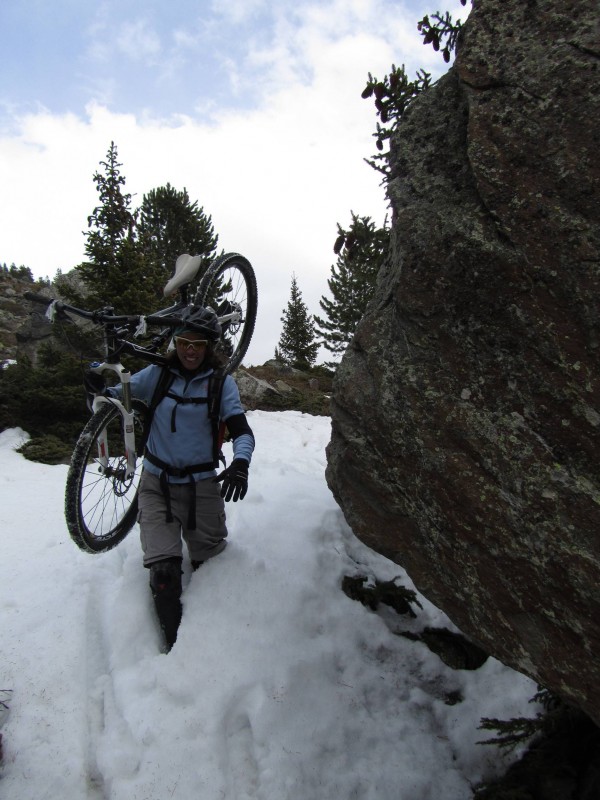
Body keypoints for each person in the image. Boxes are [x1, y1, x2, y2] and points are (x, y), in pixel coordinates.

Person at [85, 305, 255, 651]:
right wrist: (95, 390)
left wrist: (241, 462)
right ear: (175, 342)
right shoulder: (156, 375)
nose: (190, 350)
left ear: (210, 346)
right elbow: (111, 404)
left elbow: (241, 430)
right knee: (163, 576)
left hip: (201, 487)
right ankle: (176, 651)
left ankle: (212, 642)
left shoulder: (222, 385)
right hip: (157, 486)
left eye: (199, 343)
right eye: (183, 342)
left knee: (211, 567)